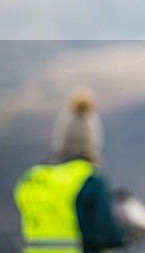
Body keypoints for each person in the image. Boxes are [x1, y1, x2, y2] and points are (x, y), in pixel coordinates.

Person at [14, 87, 127, 253]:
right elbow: (108, 236)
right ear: (91, 142)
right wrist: (123, 229)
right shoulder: (89, 179)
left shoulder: (32, 179)